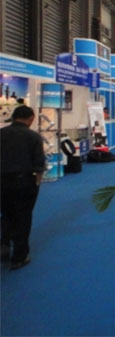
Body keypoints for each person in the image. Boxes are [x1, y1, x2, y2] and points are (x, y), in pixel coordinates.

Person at [1, 105, 45, 270]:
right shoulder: (33, 137)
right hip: (23, 182)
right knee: (23, 217)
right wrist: (37, 182)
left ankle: (4, 246)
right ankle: (19, 257)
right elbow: (39, 163)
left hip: (2, 182)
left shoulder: (1, 133)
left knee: (6, 214)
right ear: (31, 118)